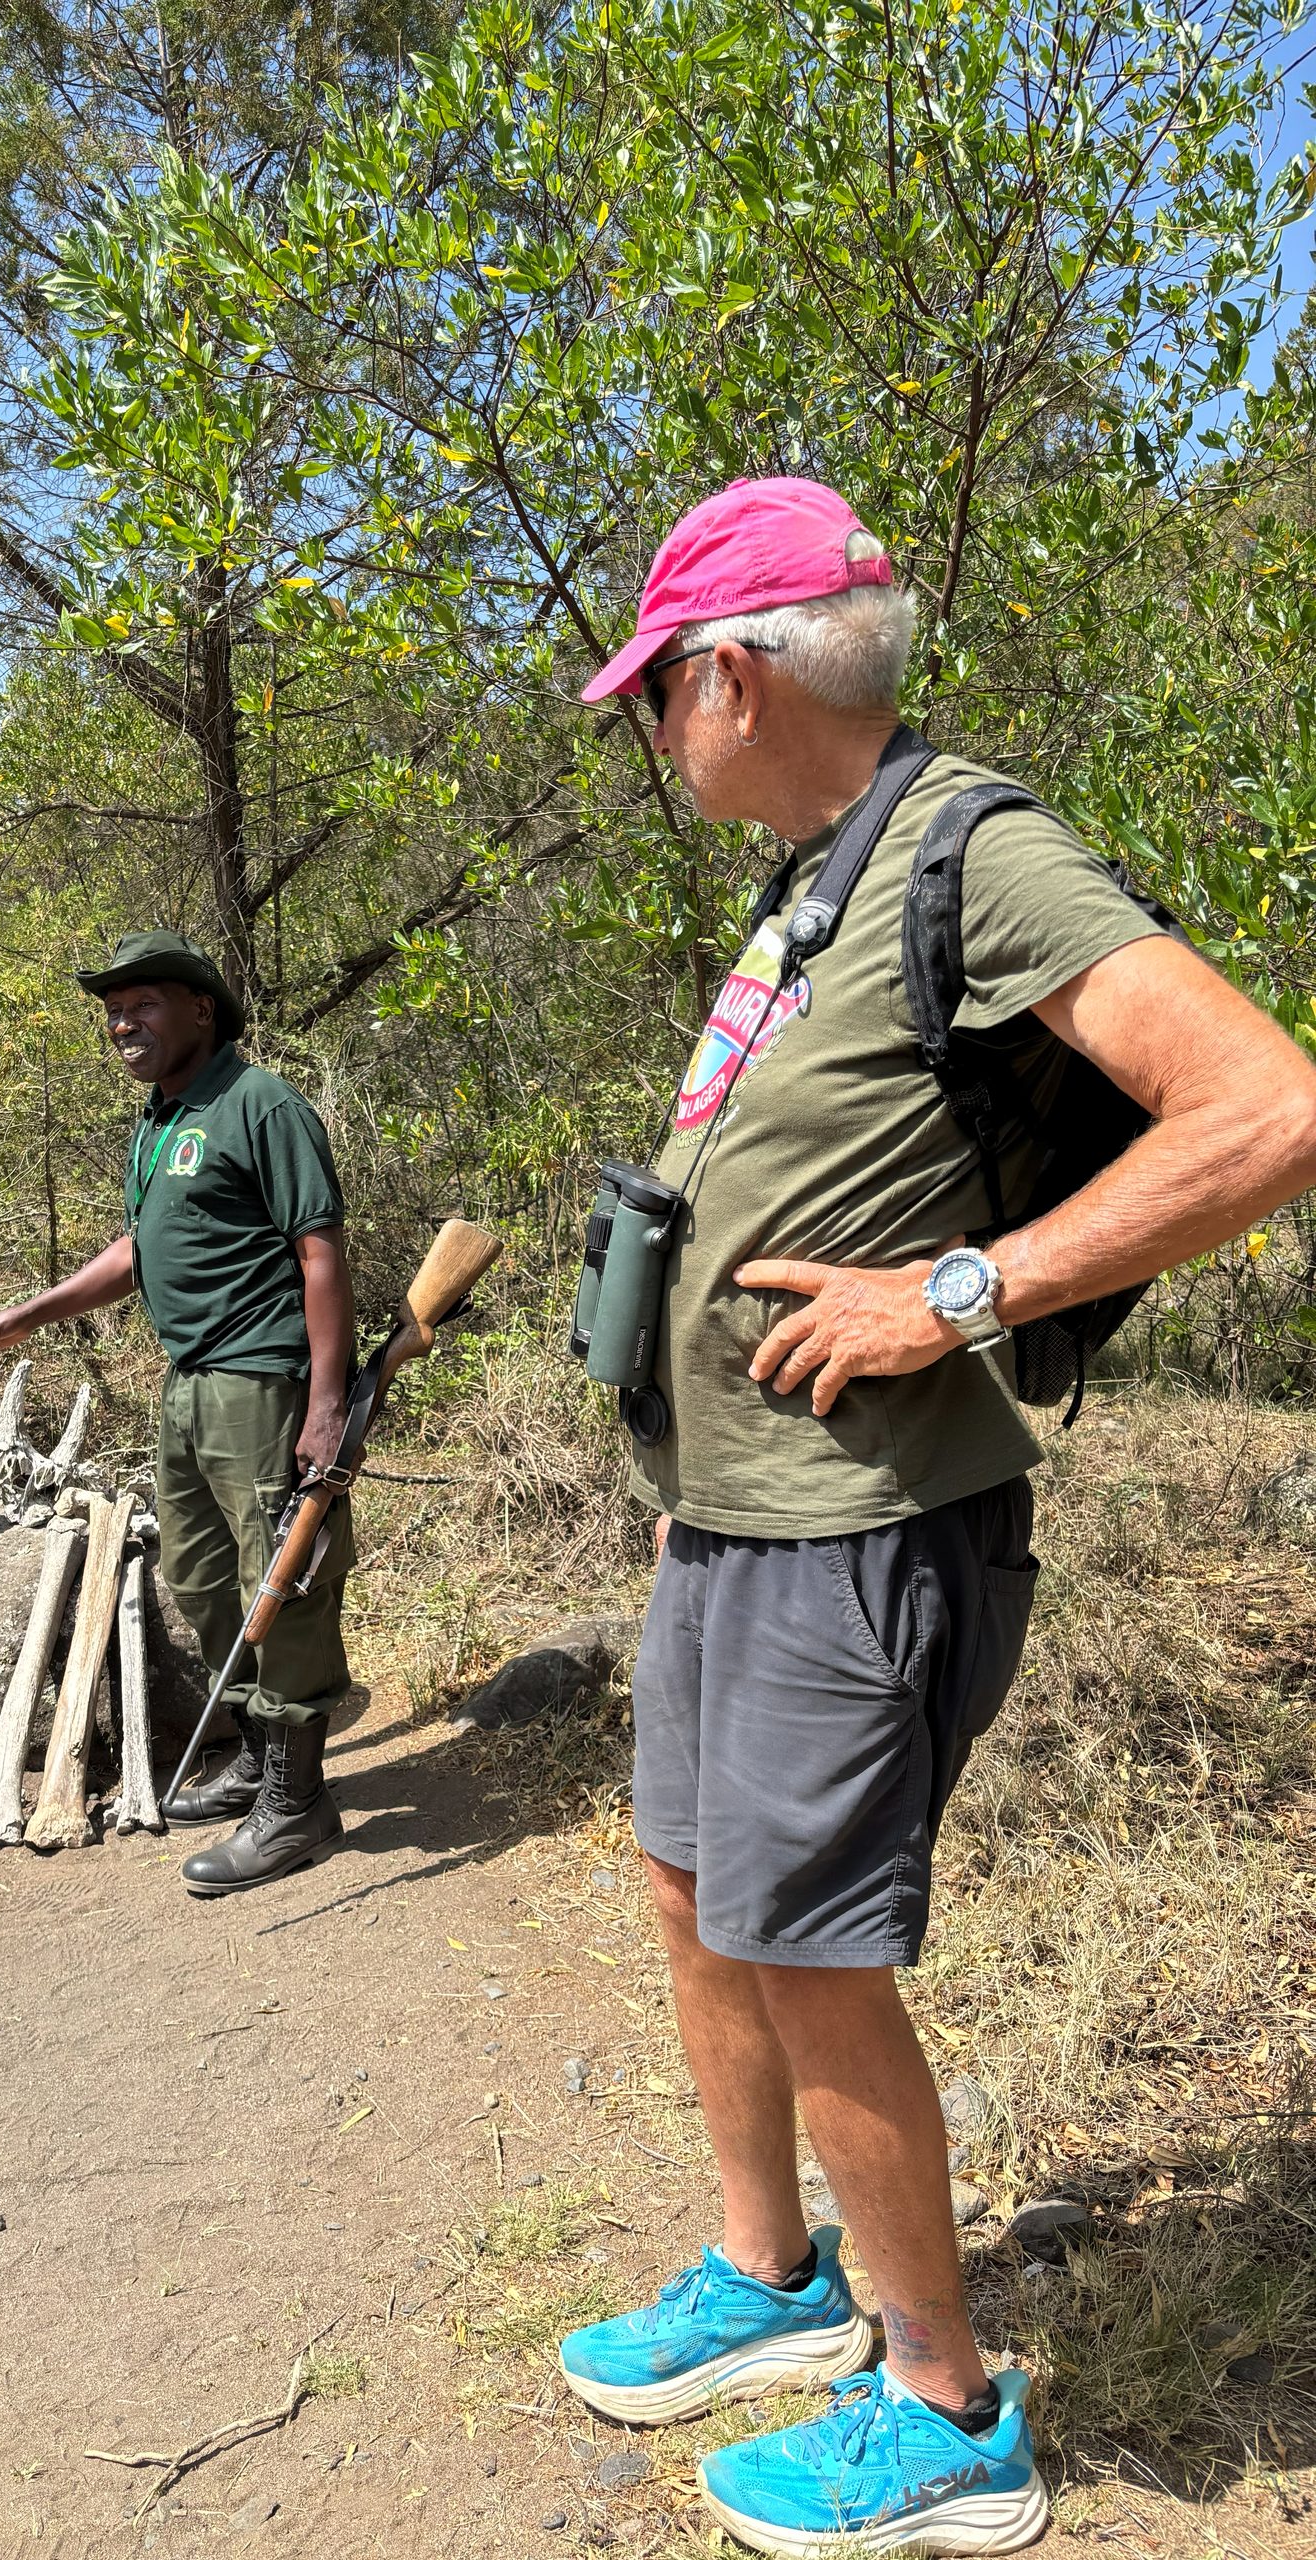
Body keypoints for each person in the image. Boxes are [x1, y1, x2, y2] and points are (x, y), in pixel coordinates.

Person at [558, 477, 1316, 2554]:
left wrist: (958, 1292)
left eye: (654, 695)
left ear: (728, 673)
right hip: (738, 1511)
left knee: (810, 1950)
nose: (650, 735)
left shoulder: (973, 850)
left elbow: (1269, 1105)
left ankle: (948, 2408)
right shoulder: (821, 875)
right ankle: (767, 2277)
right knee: (695, 1889)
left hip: (865, 1527)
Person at [0, 930, 356, 1895]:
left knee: (279, 1584)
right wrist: (29, 1311)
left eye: (144, 1004)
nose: (123, 1022)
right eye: (113, 1010)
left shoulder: (261, 1106)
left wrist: (326, 1402)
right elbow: (138, 1250)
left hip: (263, 1381)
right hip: (188, 1385)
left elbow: (320, 1254)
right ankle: (257, 1756)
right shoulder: (159, 1121)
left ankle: (300, 1804)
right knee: (206, 1579)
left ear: (200, 1009)